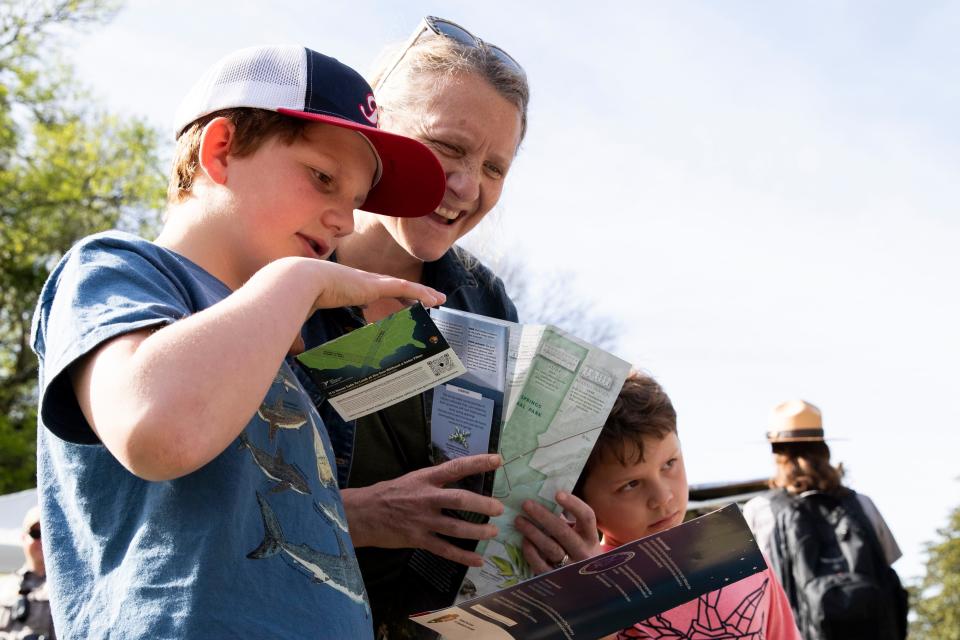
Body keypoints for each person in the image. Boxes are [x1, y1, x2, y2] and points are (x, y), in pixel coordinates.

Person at [29, 44, 447, 639]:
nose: (345, 222)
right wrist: (296, 282)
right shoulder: (114, 269)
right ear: (221, 150)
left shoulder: (275, 339)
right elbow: (159, 430)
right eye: (323, 178)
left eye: (354, 202)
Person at [298, 16, 528, 636]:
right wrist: (357, 515)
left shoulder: (483, 302)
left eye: (495, 168)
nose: (466, 186)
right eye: (448, 147)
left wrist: (554, 520)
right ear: (376, 127)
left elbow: (502, 478)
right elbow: (210, 502)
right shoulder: (273, 266)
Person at [521, 373, 802, 639]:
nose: (663, 496)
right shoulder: (571, 588)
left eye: (670, 464)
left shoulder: (741, 560)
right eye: (630, 484)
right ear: (578, 503)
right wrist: (594, 605)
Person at [742, 400, 906, 639]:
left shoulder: (759, 510)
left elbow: (747, 589)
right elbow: (888, 563)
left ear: (776, 453)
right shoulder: (862, 504)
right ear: (824, 448)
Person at [0, 506, 55, 640]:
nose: (42, 541)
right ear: (23, 537)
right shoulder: (5, 586)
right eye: (36, 534)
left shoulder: (64, 589)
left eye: (47, 534)